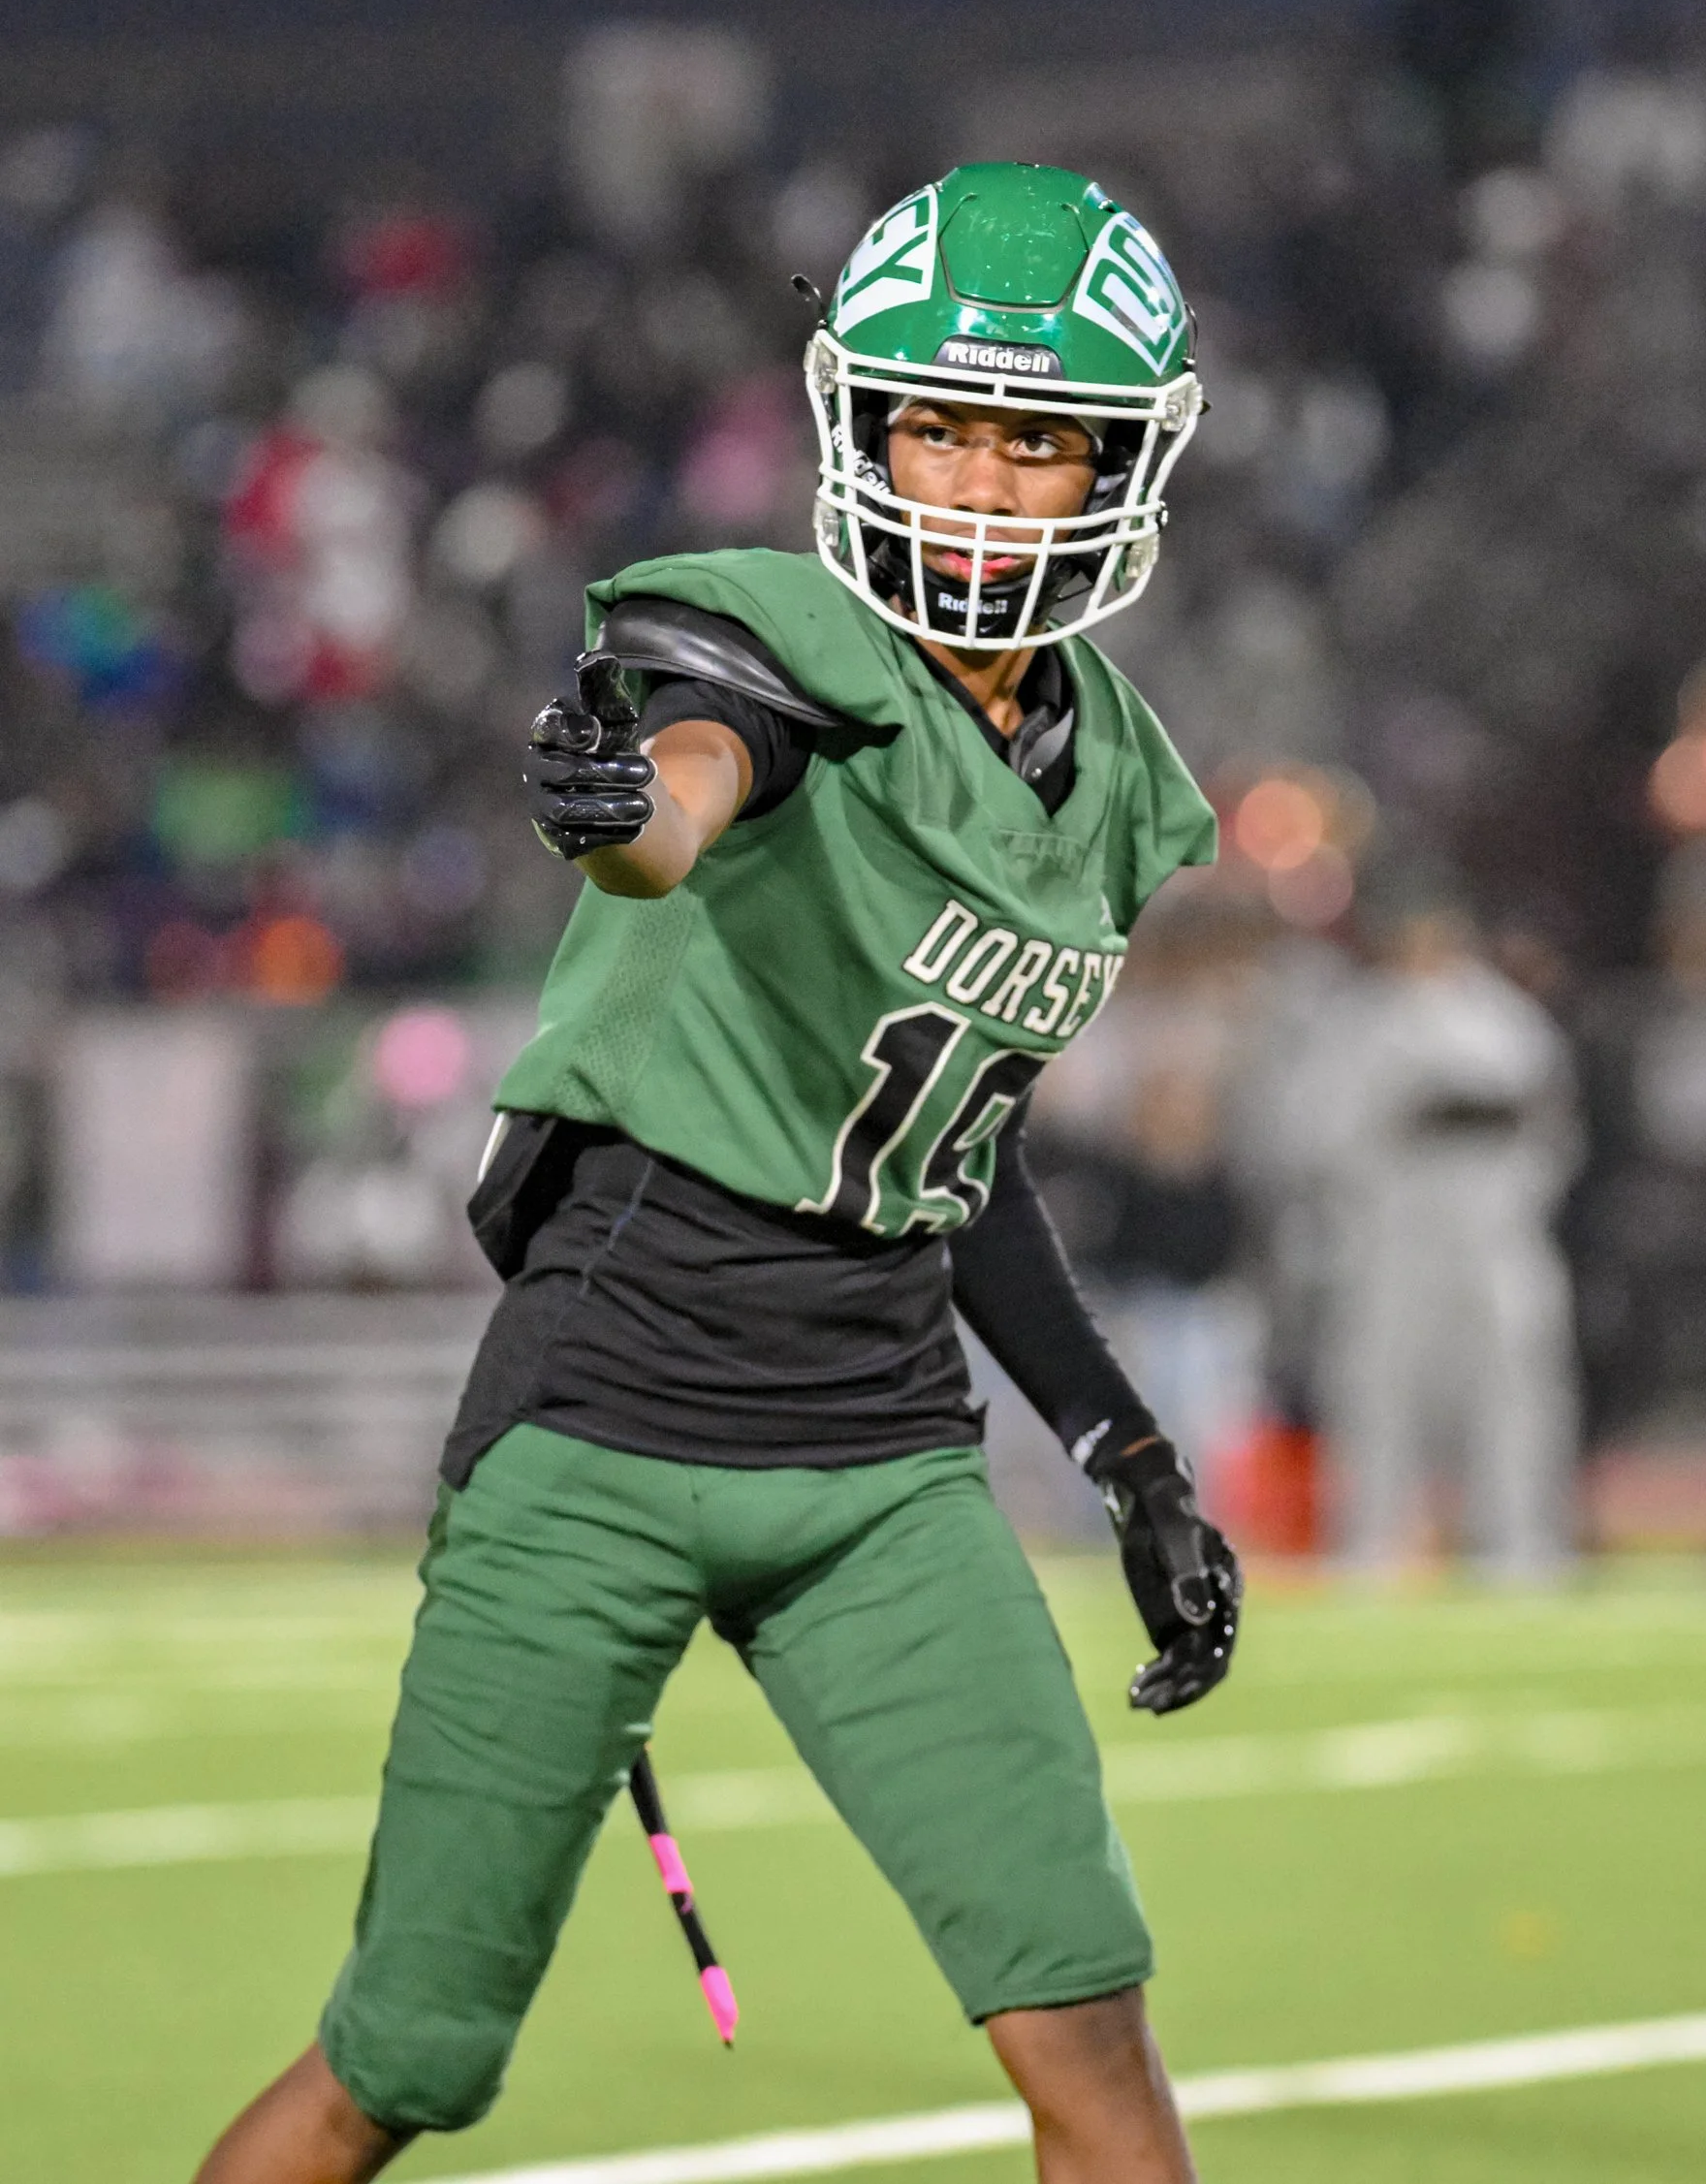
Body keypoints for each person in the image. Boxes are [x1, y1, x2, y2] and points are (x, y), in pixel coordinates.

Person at [194, 165, 1240, 2184]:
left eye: (1034, 440)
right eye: (939, 425)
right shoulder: (782, 633)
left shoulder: (1115, 774)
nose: (982, 484)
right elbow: (683, 786)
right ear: (863, 428)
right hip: (607, 1420)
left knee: (1087, 2023)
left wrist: (1127, 1453)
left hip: (881, 1460)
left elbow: (957, 1149)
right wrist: (618, 809)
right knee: (402, 2056)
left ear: (1120, 461)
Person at [1297, 902, 1582, 1578]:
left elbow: (1552, 1135)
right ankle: (1370, 1546)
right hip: (1394, 1239)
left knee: (1515, 1392)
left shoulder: (1507, 1019)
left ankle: (1518, 1546)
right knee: (1378, 1394)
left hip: (1496, 1235)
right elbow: (1320, 1136)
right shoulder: (1361, 1019)